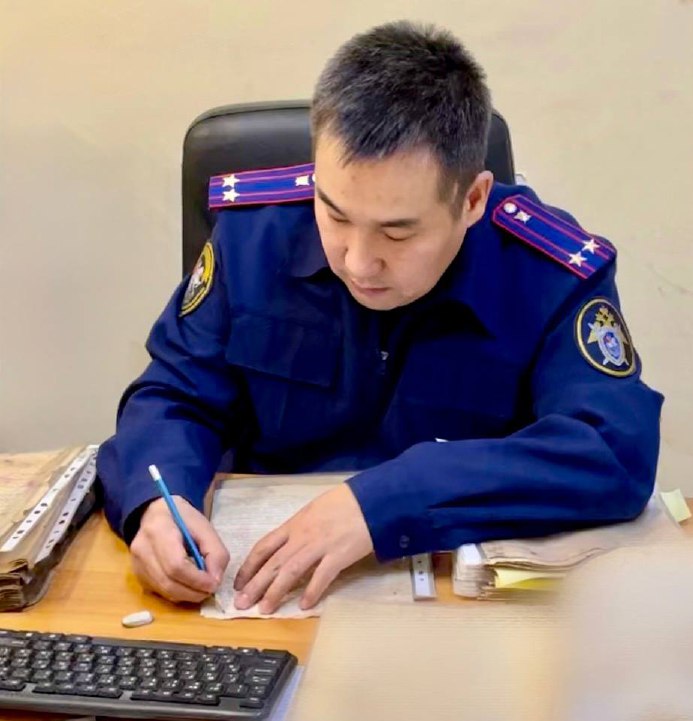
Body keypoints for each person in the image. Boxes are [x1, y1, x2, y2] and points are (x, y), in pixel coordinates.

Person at [98, 21, 664, 614]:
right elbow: (174, 394)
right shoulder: (253, 236)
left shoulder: (546, 273)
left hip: (464, 612)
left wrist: (388, 500)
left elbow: (612, 448)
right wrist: (158, 503)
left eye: (397, 233)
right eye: (335, 215)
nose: (358, 261)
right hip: (262, 600)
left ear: (472, 200)